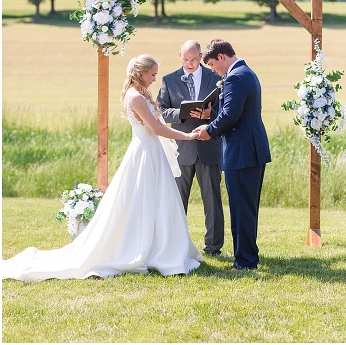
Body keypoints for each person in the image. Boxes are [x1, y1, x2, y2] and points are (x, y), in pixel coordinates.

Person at [2, 55, 203, 281]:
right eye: (152, 74)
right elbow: (156, 128)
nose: (155, 79)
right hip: (144, 154)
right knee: (142, 201)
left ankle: (161, 247)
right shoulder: (135, 97)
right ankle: (144, 248)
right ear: (141, 72)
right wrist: (186, 136)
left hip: (150, 152)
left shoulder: (140, 93)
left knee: (159, 201)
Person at [196, 39, 271, 270]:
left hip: (242, 152)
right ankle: (248, 256)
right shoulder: (245, 72)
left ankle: (245, 261)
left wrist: (209, 130)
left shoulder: (236, 77)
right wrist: (212, 114)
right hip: (250, 149)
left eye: (211, 64)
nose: (212, 69)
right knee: (246, 208)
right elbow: (233, 111)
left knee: (241, 209)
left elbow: (231, 116)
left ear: (221, 57)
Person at [157, 39, 225, 256]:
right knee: (177, 201)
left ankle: (213, 248)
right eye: (186, 60)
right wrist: (182, 113)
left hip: (209, 147)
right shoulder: (169, 80)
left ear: (201, 56)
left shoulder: (216, 78)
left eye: (194, 60)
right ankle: (175, 246)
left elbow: (226, 111)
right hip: (181, 149)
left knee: (213, 201)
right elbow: (160, 112)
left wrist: (209, 115)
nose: (190, 64)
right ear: (180, 56)